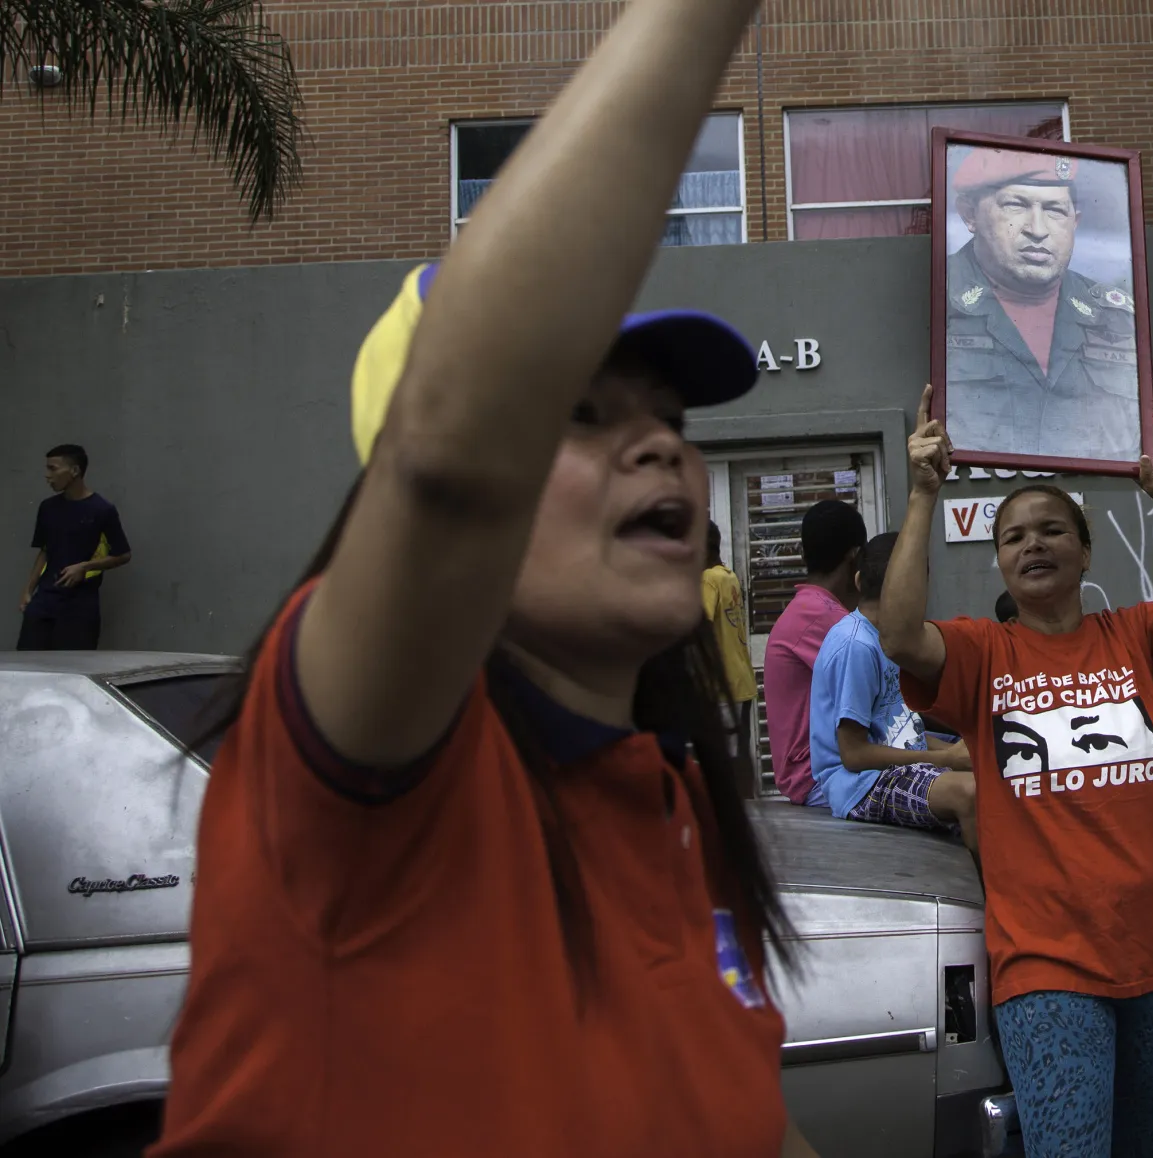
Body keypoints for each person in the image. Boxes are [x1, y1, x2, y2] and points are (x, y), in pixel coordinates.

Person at [149, 1, 819, 1152]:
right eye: (576, 414)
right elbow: (456, 453)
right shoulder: (367, 781)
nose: (661, 446)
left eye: (668, 417)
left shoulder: (678, 809)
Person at [881, 388, 1153, 1157]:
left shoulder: (1138, 636)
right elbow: (899, 634)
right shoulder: (982, 655)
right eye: (1014, 536)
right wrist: (924, 495)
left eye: (1053, 530)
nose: (1034, 545)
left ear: (1085, 550)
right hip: (1047, 960)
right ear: (997, 558)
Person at [943, 149, 1140, 463]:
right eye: (1016, 205)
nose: (1038, 229)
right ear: (969, 215)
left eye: (1054, 210)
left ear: (1074, 221)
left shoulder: (1116, 317)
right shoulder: (940, 305)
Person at [809, 532, 978, 843]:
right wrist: (947, 759)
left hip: (896, 769)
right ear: (916, 585)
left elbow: (901, 732)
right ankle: (989, 892)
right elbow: (854, 754)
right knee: (971, 793)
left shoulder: (893, 642)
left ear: (858, 581)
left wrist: (969, 753)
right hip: (861, 785)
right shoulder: (856, 644)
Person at [765, 500, 867, 806]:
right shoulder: (820, 617)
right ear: (856, 558)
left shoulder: (815, 609)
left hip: (827, 765)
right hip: (817, 775)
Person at [17, 444, 131, 651]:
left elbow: (123, 555)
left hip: (79, 606)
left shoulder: (102, 510)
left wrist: (84, 567)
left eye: (53, 469)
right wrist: (28, 591)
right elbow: (45, 550)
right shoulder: (48, 507)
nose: (47, 476)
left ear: (75, 471)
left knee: (71, 668)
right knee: (29, 665)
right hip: (44, 601)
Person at [705, 520, 759, 798]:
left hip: (722, 684)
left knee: (724, 756)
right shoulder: (728, 575)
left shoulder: (708, 579)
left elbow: (697, 625)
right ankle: (746, 804)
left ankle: (737, 807)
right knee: (739, 750)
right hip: (741, 681)